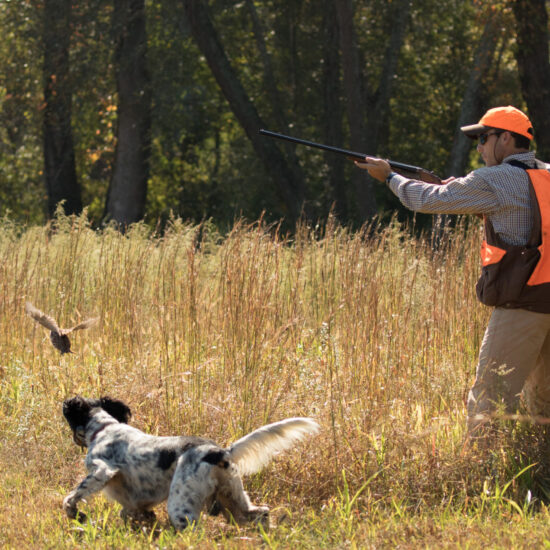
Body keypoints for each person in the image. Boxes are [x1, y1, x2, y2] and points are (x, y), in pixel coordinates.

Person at [356, 105, 550, 435]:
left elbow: (426, 200)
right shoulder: (545, 173)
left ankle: (481, 475)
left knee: (490, 398)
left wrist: (388, 176)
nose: (478, 147)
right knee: (544, 399)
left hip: (523, 305)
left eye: (483, 138)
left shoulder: (494, 178)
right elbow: (529, 220)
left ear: (504, 138)